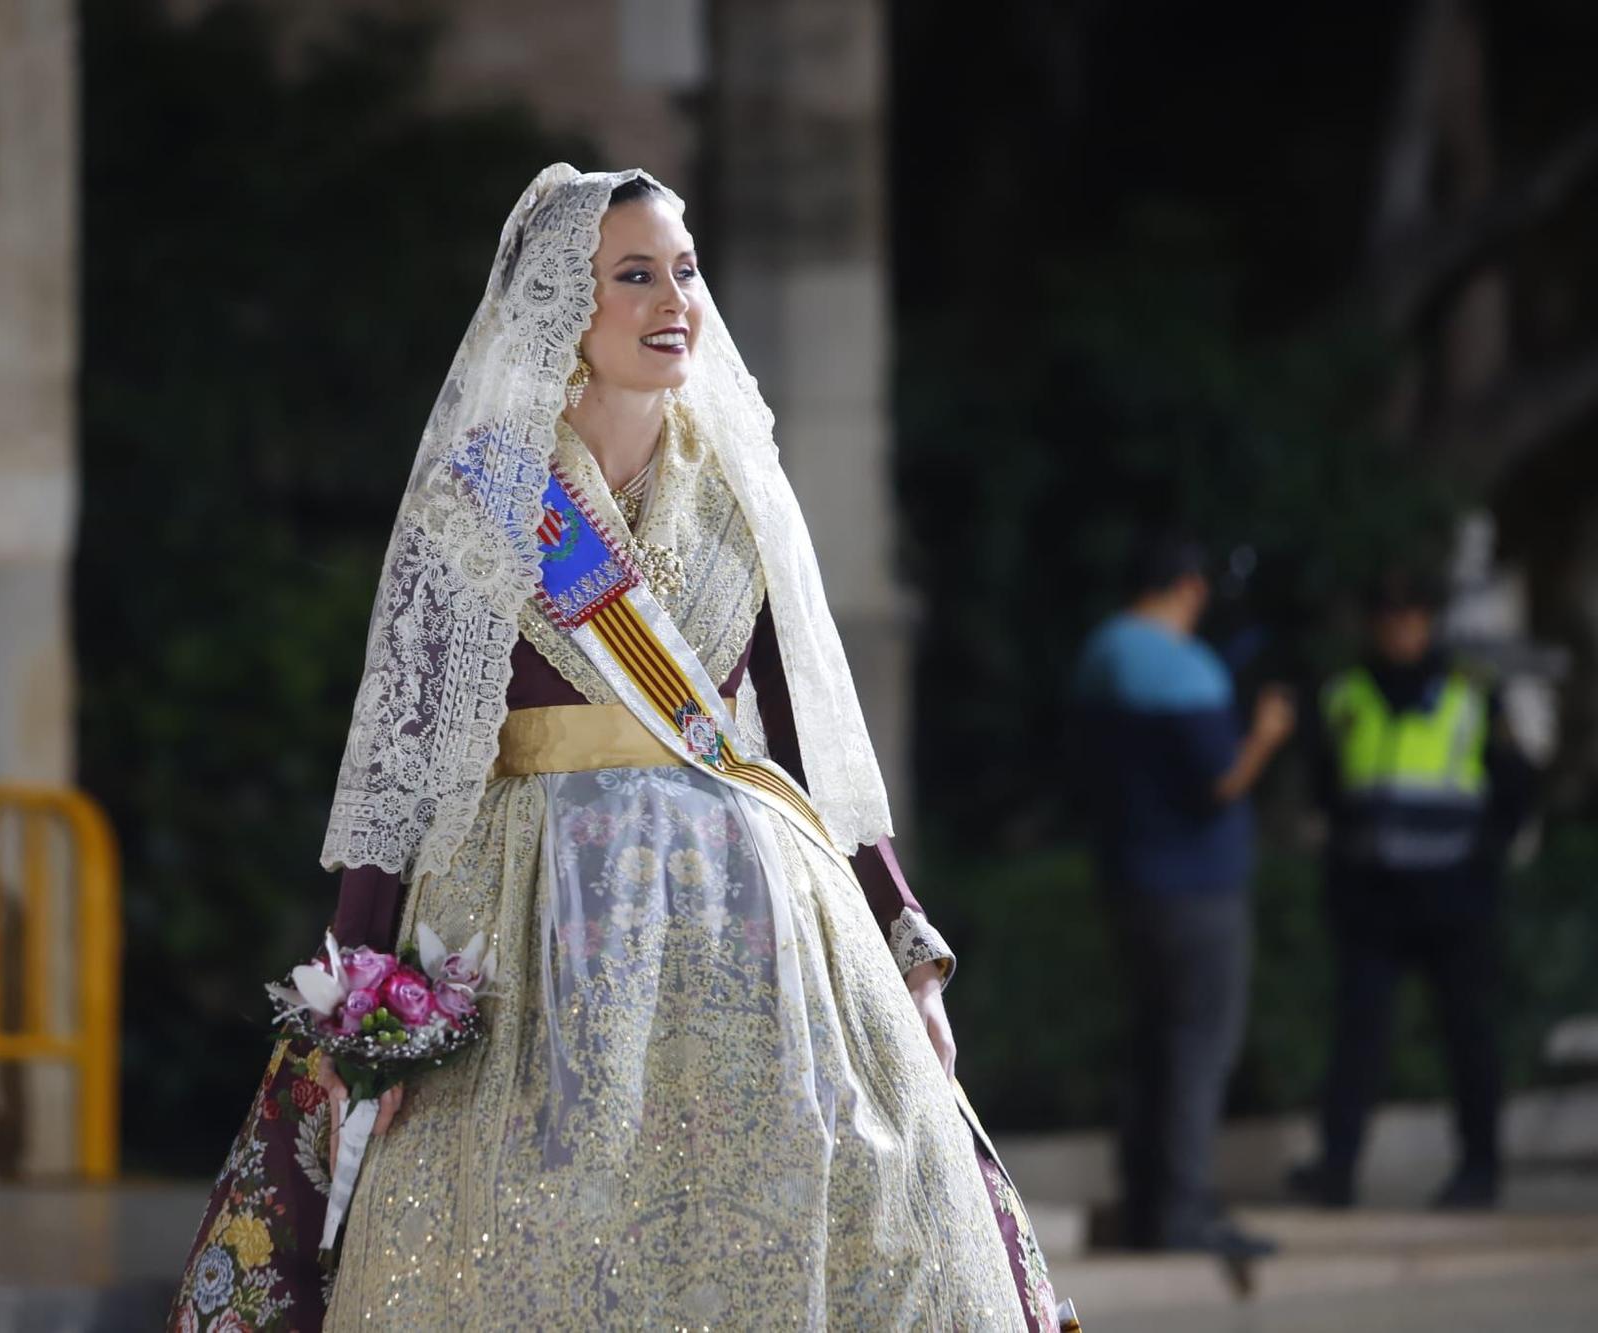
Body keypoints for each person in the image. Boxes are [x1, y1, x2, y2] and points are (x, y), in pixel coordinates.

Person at [171, 167, 1069, 1332]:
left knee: (856, 1187)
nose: (672, 301)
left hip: (752, 927)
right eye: (633, 275)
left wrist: (902, 940)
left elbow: (811, 732)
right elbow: (409, 754)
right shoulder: (485, 494)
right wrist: (359, 986)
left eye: (683, 271)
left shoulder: (738, 486)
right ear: (560, 304)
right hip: (535, 912)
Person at [1071, 535, 1294, 1258]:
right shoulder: (1184, 667)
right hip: (1197, 888)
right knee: (1200, 1047)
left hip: (1128, 880)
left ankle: (1142, 1203)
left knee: (1149, 1043)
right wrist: (1264, 735)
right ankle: (1185, 1208)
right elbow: (1219, 781)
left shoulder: (1099, 654)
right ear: (1189, 587)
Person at [1287, 570, 1535, 1211]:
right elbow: (1324, 787)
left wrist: (1483, 860)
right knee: (1358, 1040)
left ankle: (1480, 1171)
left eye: (1412, 616)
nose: (1400, 628)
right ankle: (1336, 1170)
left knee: (1469, 1037)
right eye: (1389, 617)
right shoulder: (1345, 694)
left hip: (1456, 899)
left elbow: (1515, 786)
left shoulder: (1471, 693)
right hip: (1373, 901)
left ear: (1428, 622)